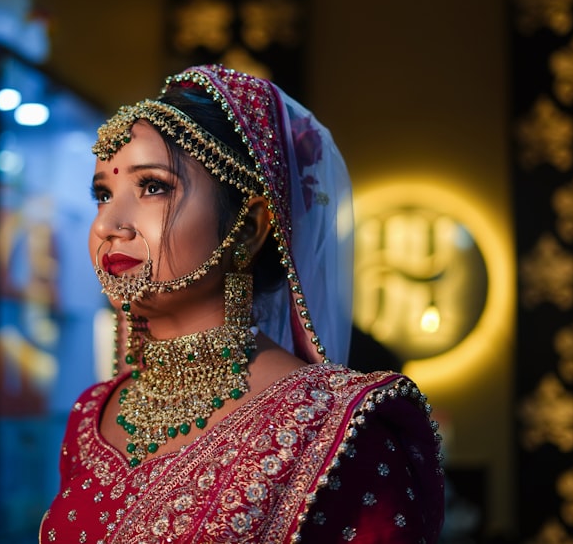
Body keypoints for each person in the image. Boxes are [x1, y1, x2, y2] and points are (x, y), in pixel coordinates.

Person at [40, 64, 444, 543]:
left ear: (249, 228)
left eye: (153, 187)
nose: (109, 224)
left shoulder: (336, 423)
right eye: (102, 194)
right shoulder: (91, 416)